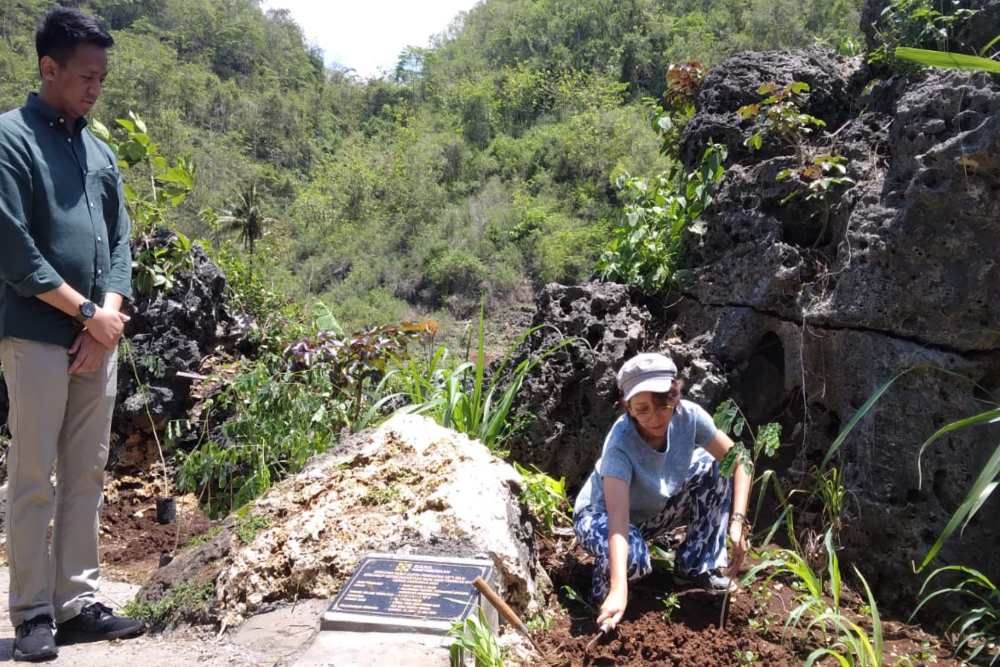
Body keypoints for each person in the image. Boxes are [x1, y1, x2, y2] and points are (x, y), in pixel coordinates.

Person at [0, 7, 145, 661]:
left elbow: (118, 242)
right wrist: (88, 315)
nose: (95, 88)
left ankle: (79, 602)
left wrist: (106, 320)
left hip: (97, 336)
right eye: (85, 76)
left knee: (86, 471)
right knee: (33, 474)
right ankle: (32, 612)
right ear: (49, 68)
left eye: (102, 78)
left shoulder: (99, 151)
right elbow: (15, 250)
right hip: (34, 334)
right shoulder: (10, 139)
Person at [573, 352, 751, 630]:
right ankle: (603, 590)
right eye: (642, 408)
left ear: (674, 396)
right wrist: (620, 588)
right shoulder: (619, 445)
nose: (654, 417)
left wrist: (738, 523)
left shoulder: (689, 417)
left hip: (652, 508)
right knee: (631, 556)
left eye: (662, 403)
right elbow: (618, 523)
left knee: (714, 465)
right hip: (603, 517)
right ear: (628, 407)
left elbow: (739, 461)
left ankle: (698, 564)